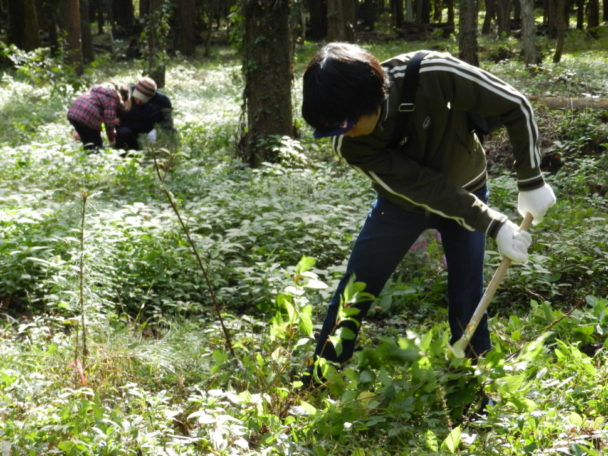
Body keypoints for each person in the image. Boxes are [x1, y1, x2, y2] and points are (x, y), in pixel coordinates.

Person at [301, 43, 556, 383]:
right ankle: (321, 375)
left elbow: (516, 105)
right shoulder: (350, 142)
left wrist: (531, 180)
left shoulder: (434, 73)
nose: (343, 133)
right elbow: (424, 186)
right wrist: (494, 224)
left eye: (347, 123)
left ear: (371, 100)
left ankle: (472, 380)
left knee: (468, 292)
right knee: (357, 286)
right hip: (400, 205)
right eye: (334, 128)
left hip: (467, 185)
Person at [115, 76, 176, 151]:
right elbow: (115, 117)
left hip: (150, 133)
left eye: (142, 99)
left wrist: (158, 133)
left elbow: (167, 124)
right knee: (123, 132)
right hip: (130, 132)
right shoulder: (126, 93)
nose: (138, 102)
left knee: (172, 133)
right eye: (136, 98)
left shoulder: (162, 101)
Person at [67, 82, 128, 151]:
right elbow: (109, 122)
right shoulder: (112, 97)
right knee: (97, 145)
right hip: (88, 116)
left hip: (73, 112)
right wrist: (112, 139)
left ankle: (89, 159)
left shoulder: (96, 91)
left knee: (87, 143)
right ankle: (96, 158)